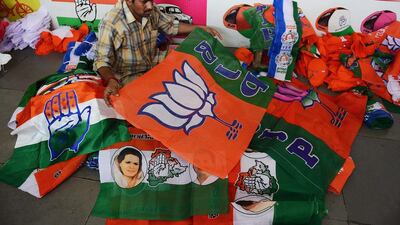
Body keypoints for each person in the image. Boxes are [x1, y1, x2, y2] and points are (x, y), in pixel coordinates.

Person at [94, 0, 223, 106]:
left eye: (151, 0)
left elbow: (171, 26)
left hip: (154, 62)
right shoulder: (112, 22)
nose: (150, 6)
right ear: (129, 1)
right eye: (144, 2)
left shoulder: (150, 10)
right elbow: (101, 60)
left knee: (193, 66)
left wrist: (200, 28)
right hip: (129, 74)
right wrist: (111, 80)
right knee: (162, 100)